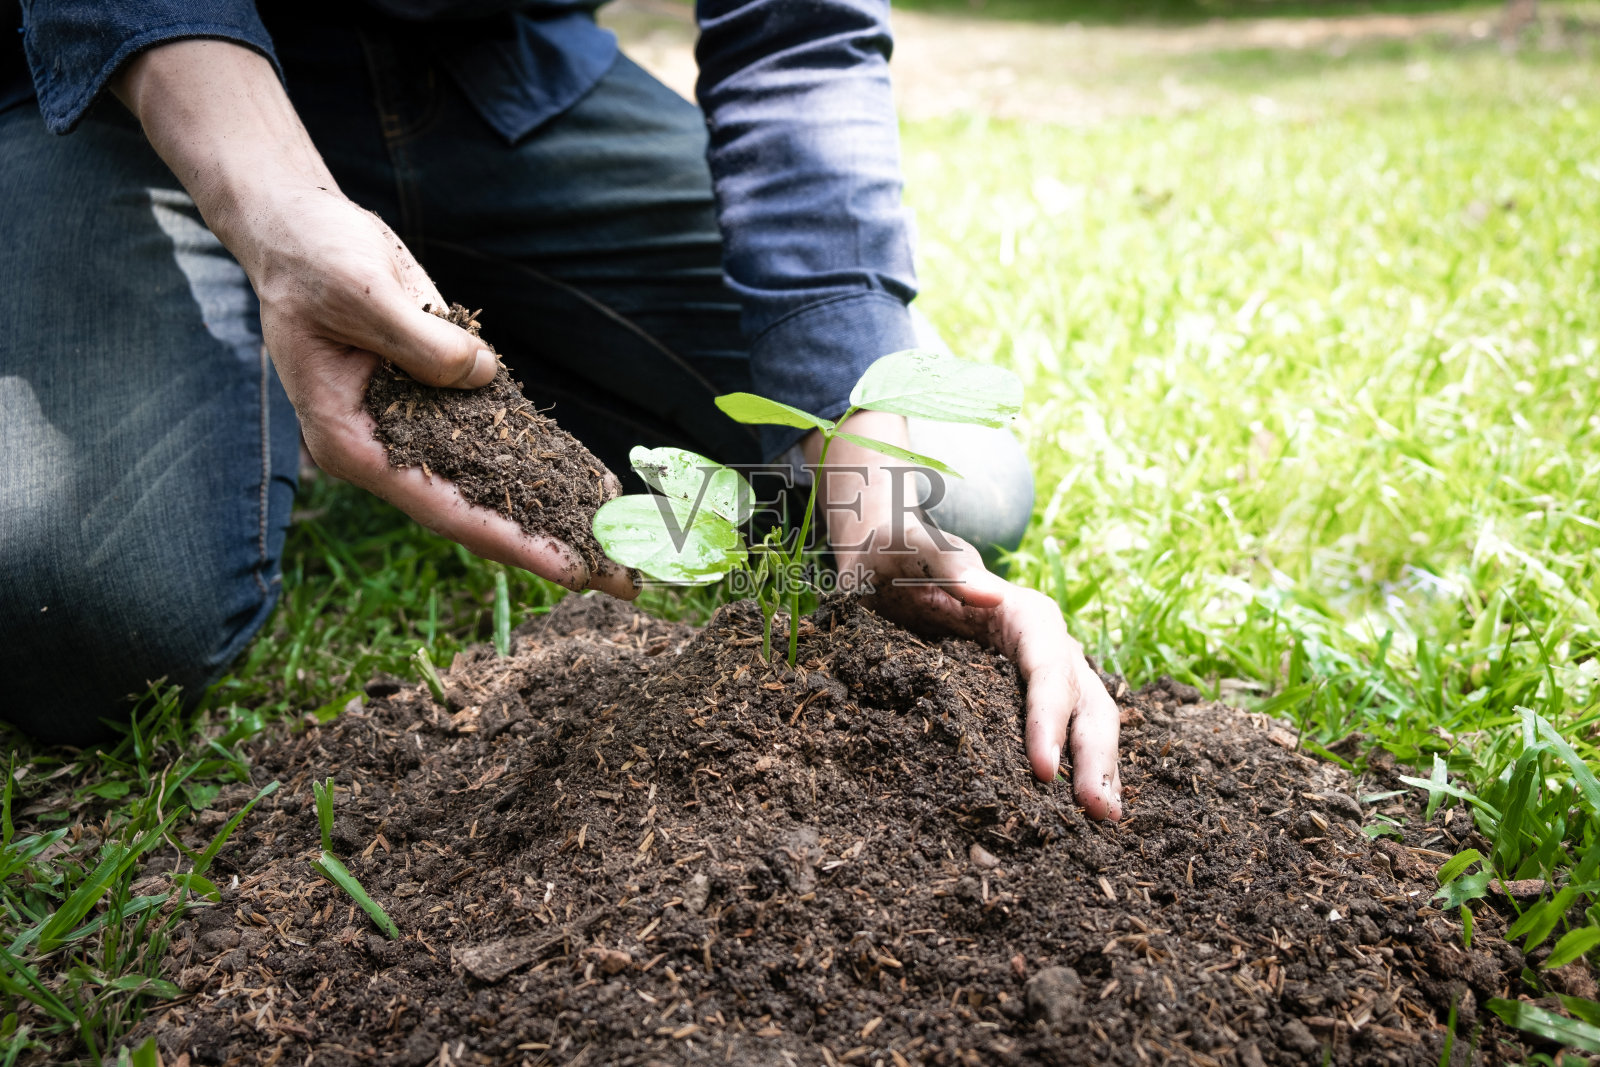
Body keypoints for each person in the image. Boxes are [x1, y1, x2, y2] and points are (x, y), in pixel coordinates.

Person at [0, 0, 1122, 819]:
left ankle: (458, 315)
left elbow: (794, 35)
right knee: (84, 615)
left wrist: (862, 458)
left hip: (498, 74)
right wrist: (272, 206)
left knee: (952, 485)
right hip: (137, 80)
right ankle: (260, 324)